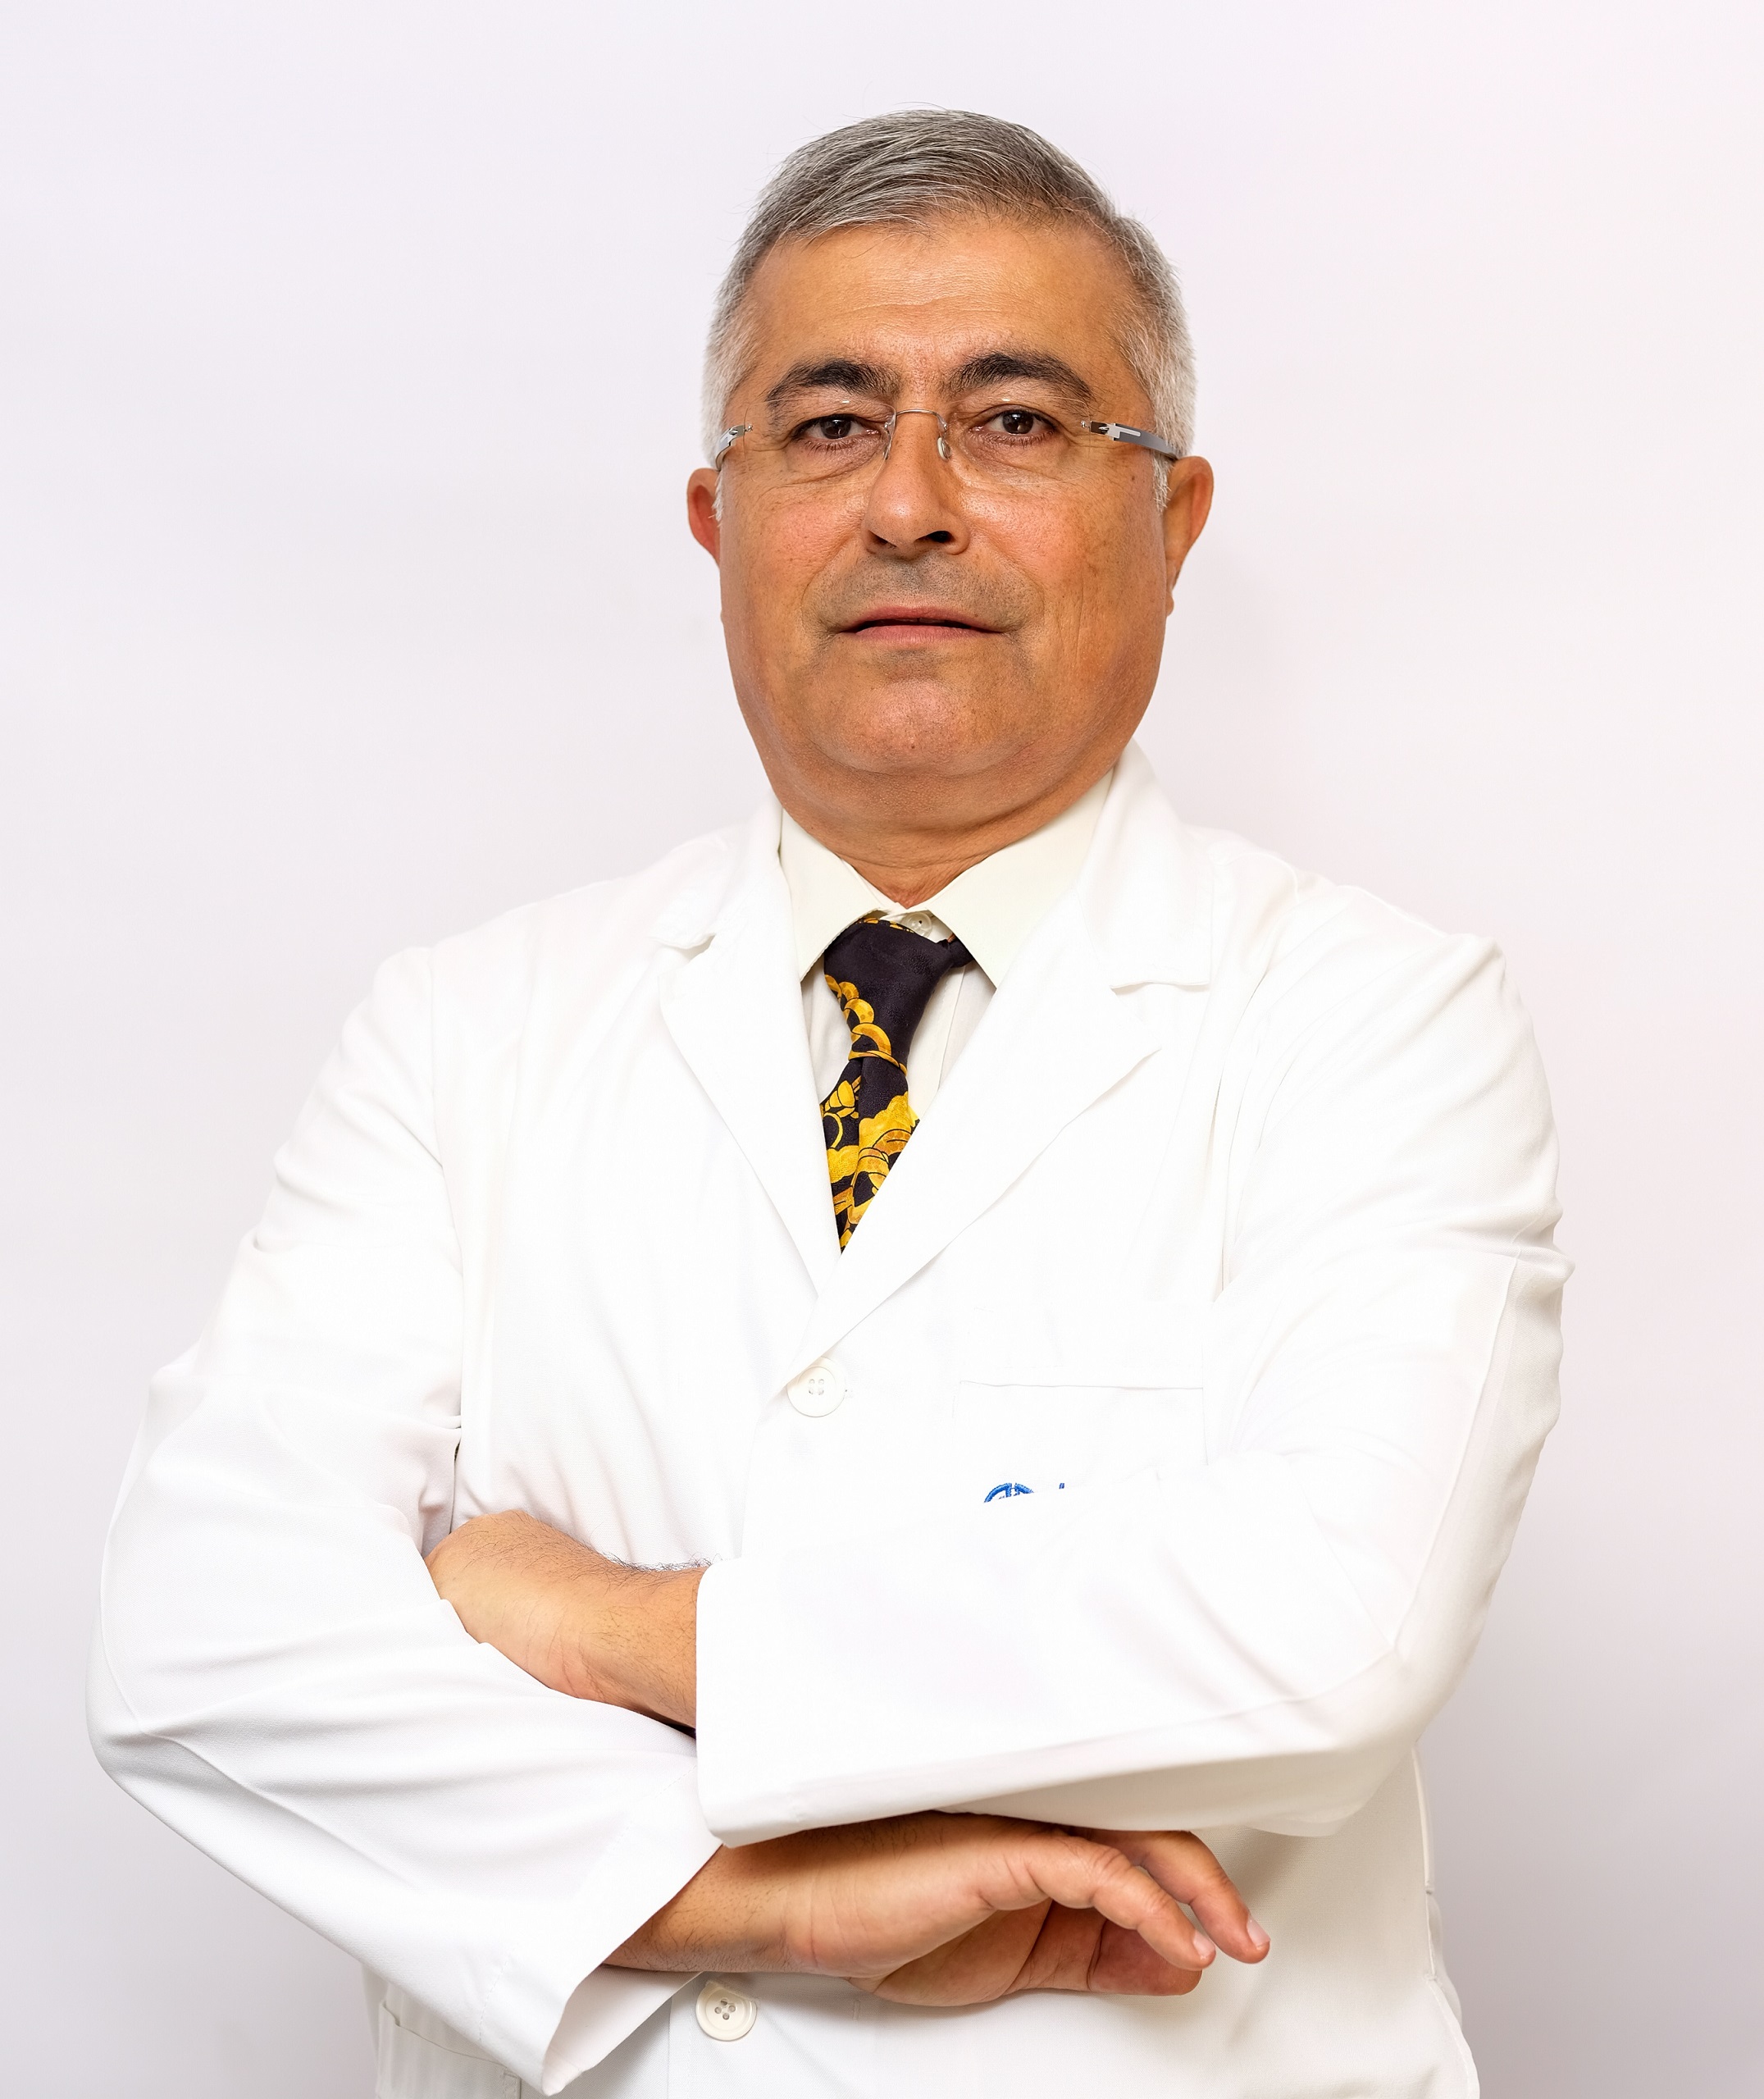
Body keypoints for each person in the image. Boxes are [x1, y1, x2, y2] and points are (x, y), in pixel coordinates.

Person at [89, 110, 1568, 2099]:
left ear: (1174, 516)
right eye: (828, 424)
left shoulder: (1380, 1020)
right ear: (718, 520)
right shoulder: (464, 1029)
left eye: (1015, 421)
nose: (909, 503)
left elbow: (1324, 1631)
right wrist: (748, 1894)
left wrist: (616, 1623)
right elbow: (202, 1632)